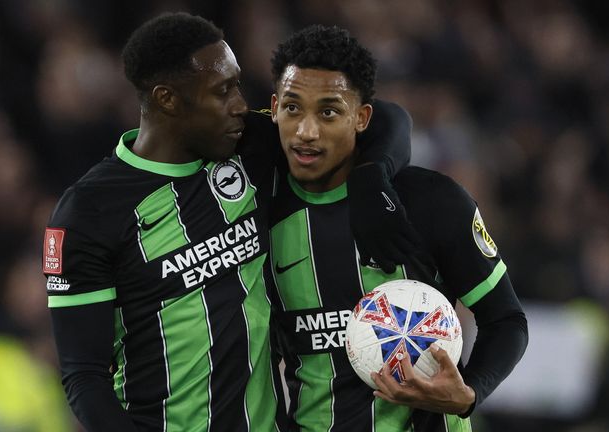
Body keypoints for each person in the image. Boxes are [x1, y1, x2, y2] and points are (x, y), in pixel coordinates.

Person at [44, 13, 414, 432]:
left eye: (236, 84)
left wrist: (372, 176)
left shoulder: (249, 147)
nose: (240, 103)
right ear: (167, 99)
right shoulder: (90, 211)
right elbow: (83, 377)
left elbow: (388, 119)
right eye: (222, 91)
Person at [267, 25, 528, 431]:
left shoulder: (430, 201)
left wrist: (471, 392)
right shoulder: (259, 215)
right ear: (273, 110)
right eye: (293, 108)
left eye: (329, 111)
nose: (307, 131)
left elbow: (506, 320)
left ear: (362, 117)